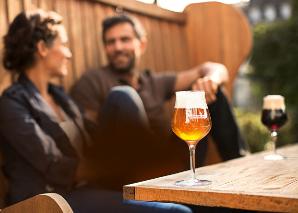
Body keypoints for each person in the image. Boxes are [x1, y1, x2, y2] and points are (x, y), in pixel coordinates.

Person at [0, 9, 194, 213]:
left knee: (122, 97)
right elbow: (54, 165)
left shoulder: (60, 97)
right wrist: (111, 167)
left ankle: (154, 182)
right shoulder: (12, 103)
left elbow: (91, 139)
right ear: (42, 48)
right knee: (176, 212)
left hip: (85, 189)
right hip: (49, 201)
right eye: (64, 45)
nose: (69, 53)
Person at [70, 14, 246, 190]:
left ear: (142, 44)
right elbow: (91, 141)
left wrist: (211, 81)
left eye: (125, 39)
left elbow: (215, 68)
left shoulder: (152, 81)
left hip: (173, 165)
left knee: (207, 95)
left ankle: (241, 166)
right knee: (123, 96)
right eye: (110, 42)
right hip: (130, 173)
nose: (118, 47)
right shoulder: (92, 81)